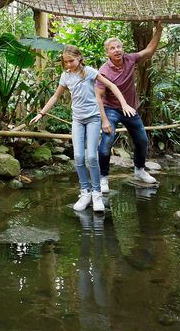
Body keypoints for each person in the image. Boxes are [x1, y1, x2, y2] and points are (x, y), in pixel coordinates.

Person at [32, 45, 135, 212]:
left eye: (71, 61)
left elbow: (111, 86)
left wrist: (124, 104)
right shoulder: (65, 76)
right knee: (79, 157)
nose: (69, 64)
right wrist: (42, 113)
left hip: (93, 119)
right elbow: (56, 96)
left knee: (92, 157)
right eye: (66, 62)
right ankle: (85, 192)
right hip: (77, 120)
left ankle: (97, 194)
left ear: (79, 57)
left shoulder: (89, 72)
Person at [95, 23, 163, 192]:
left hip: (130, 109)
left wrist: (159, 31)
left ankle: (139, 170)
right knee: (106, 144)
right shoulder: (104, 71)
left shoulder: (130, 59)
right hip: (110, 109)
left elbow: (149, 51)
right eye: (112, 48)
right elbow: (98, 98)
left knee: (142, 140)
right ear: (107, 52)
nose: (117, 50)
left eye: (119, 47)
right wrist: (104, 120)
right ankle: (103, 178)